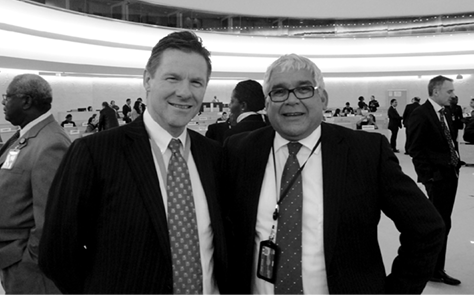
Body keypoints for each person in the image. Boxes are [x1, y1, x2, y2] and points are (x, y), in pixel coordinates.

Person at [224, 54, 444, 295]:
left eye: (304, 89)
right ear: (267, 104)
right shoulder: (239, 151)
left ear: (323, 98)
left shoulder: (366, 152)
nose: (291, 100)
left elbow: (426, 227)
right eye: (279, 92)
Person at [39, 30, 228, 295]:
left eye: (196, 82)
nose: (185, 92)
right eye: (172, 78)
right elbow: (57, 253)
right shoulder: (94, 153)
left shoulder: (214, 156)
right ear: (148, 80)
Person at [0, 74, 71, 294]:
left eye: (7, 96)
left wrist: (29, 260)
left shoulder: (51, 143)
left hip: (30, 267)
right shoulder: (27, 135)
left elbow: (50, 216)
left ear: (26, 101)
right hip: (10, 256)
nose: (3, 102)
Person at [408, 75, 462, 286]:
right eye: (450, 91)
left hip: (451, 173)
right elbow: (415, 149)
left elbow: (447, 140)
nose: (453, 95)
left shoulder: (444, 113)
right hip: (438, 178)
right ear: (436, 91)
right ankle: (433, 269)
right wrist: (429, 178)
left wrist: (455, 162)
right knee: (439, 224)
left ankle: (435, 267)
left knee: (444, 222)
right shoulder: (421, 114)